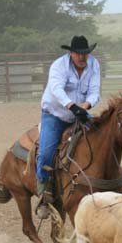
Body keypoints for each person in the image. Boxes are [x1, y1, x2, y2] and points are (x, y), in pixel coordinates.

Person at [35, 35, 100, 219]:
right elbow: (56, 89)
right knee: (47, 153)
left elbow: (95, 91)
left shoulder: (94, 64)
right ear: (71, 53)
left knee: (101, 138)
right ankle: (43, 192)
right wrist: (72, 106)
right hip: (55, 114)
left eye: (85, 54)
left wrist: (85, 106)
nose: (82, 57)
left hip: (80, 112)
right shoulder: (59, 66)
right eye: (78, 54)